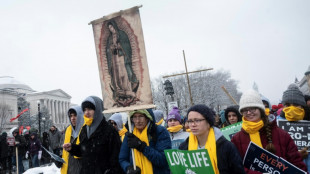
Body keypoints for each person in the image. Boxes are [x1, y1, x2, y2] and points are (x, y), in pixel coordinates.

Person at [231, 89, 307, 173]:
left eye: (253, 109)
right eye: (245, 110)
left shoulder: (282, 135)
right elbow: (235, 167)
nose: (249, 113)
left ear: (260, 110)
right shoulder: (236, 139)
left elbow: (297, 164)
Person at [63, 96, 123, 174]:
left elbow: (116, 158)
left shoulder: (109, 130)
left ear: (98, 110)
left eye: (90, 109)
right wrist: (73, 148)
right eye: (84, 110)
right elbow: (84, 150)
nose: (87, 112)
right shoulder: (84, 129)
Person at [179, 104, 245, 174]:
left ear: (208, 123)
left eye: (197, 120)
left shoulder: (226, 147)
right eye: (190, 121)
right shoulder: (184, 148)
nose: (192, 124)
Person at [119, 109, 171, 174]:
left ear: (148, 117)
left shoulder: (159, 131)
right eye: (134, 117)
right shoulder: (130, 135)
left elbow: (163, 160)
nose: (137, 121)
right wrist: (128, 168)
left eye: (141, 116)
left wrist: (141, 146)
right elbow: (122, 159)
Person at [276, 84, 310, 172]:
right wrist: (295, 157)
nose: (291, 108)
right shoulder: (275, 125)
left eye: (295, 104)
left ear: (302, 106)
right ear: (283, 107)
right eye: (287, 105)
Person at [106, 20, 139, 107]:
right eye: (109, 28)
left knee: (124, 73)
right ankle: (119, 90)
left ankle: (127, 90)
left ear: (114, 26)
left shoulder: (122, 34)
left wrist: (120, 46)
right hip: (114, 58)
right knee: (116, 75)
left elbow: (127, 45)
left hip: (122, 57)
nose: (111, 29)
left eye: (111, 27)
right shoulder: (110, 38)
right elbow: (108, 50)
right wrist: (111, 48)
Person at [58, 106, 84, 174]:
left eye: (75, 115)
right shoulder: (68, 130)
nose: (72, 118)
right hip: (68, 169)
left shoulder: (86, 129)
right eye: (71, 116)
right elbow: (61, 148)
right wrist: (59, 159)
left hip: (81, 169)